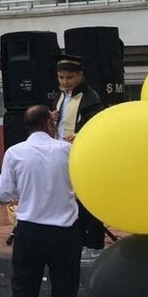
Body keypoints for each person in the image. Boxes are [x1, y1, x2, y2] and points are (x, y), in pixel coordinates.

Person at [0, 105, 81, 297]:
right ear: (49, 124)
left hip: (30, 232)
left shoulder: (15, 152)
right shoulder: (67, 151)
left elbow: (3, 193)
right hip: (64, 232)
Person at [52, 54, 106, 261]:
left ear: (80, 76)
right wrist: (52, 116)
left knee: (85, 199)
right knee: (68, 199)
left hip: (82, 153)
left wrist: (81, 133)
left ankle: (94, 243)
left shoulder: (90, 97)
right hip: (62, 151)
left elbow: (97, 123)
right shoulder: (59, 96)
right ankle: (77, 241)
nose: (65, 82)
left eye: (70, 78)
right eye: (61, 78)